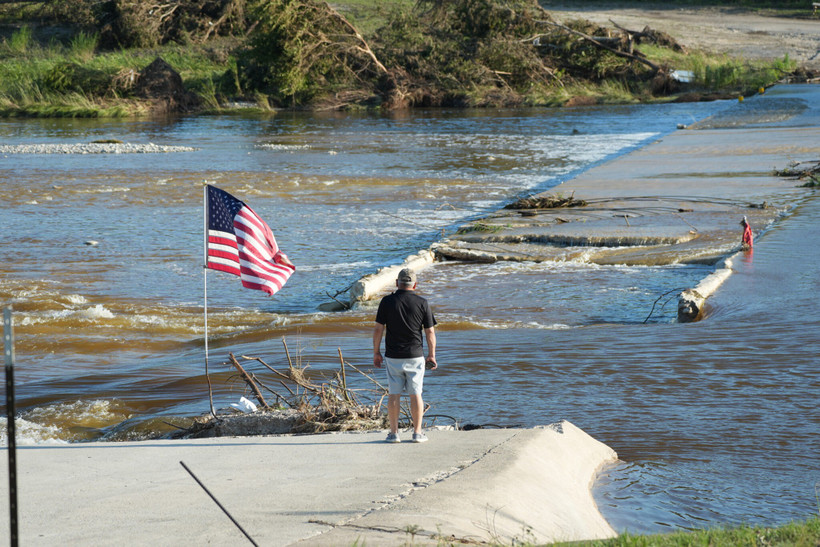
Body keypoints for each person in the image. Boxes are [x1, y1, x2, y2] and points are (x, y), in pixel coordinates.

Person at [373, 267, 437, 443]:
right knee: (415, 393)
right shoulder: (422, 303)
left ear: (397, 283)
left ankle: (394, 434)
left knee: (394, 394)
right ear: (415, 284)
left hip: (393, 355)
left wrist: (376, 352)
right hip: (415, 355)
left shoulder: (386, 301)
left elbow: (378, 329)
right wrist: (431, 355)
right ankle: (417, 433)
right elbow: (430, 332)